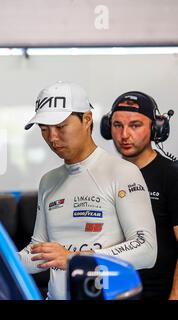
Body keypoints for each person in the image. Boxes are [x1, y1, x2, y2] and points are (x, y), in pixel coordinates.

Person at [19, 81, 157, 300]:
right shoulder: (49, 181)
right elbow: (38, 252)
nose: (52, 138)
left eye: (61, 127)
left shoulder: (122, 172)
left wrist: (75, 259)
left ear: (87, 119)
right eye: (44, 129)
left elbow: (146, 249)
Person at [101, 91, 178, 300]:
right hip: (111, 291)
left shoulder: (171, 175)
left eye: (135, 125)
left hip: (158, 294)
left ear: (156, 129)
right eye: (117, 125)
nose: (124, 134)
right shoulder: (104, 174)